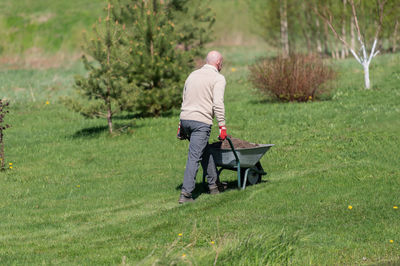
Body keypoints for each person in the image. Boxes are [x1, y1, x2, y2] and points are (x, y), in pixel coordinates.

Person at [177, 50, 228, 204]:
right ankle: (186, 195)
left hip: (186, 119)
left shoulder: (192, 75)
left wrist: (181, 124)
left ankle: (214, 185)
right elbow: (217, 103)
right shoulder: (218, 78)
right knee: (194, 157)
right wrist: (222, 126)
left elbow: (185, 98)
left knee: (204, 150)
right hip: (200, 123)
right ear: (219, 63)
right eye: (222, 63)